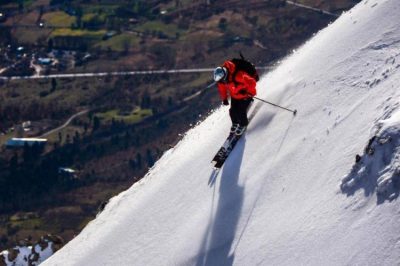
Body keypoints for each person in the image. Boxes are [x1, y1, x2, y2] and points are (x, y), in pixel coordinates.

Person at [213, 59, 257, 135]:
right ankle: (235, 123)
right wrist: (224, 99)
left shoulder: (238, 76)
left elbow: (252, 82)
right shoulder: (222, 80)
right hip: (235, 96)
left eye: (221, 79)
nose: (221, 81)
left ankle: (243, 124)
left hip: (245, 95)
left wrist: (249, 92)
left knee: (241, 111)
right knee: (232, 111)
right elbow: (222, 89)